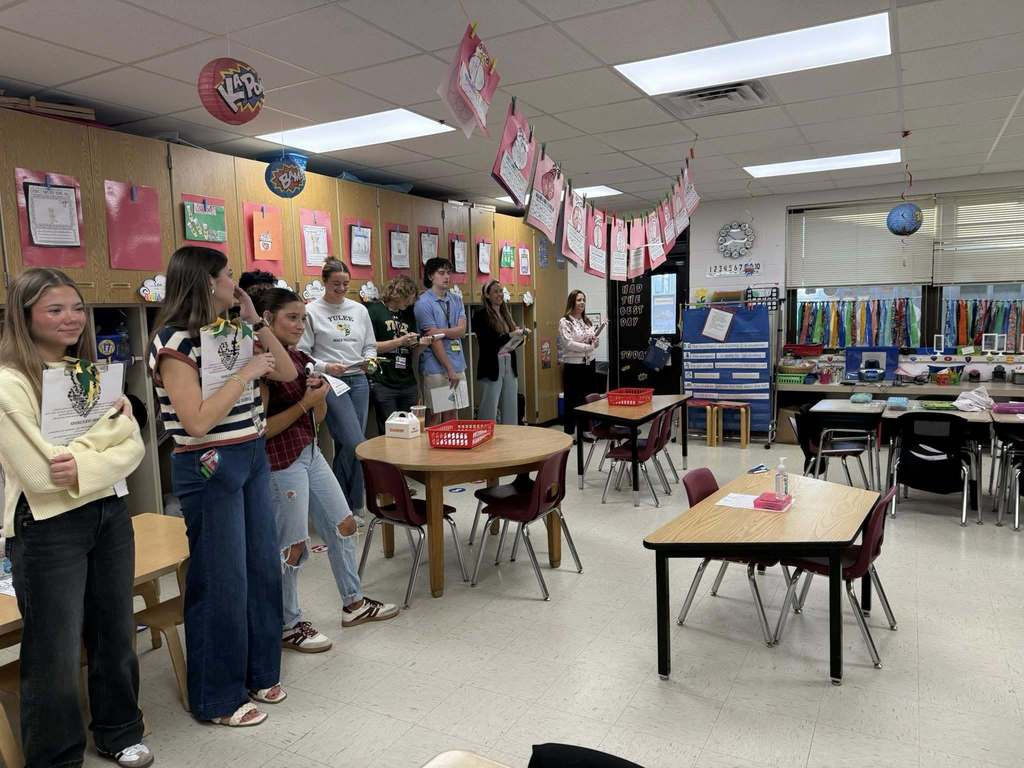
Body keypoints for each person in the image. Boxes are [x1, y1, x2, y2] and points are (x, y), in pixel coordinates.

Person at [0, 268, 152, 767]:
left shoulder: (86, 371)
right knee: (55, 650)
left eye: (76, 308)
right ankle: (56, 757)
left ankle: (119, 730)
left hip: (107, 510)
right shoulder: (9, 381)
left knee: (115, 627)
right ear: (25, 317)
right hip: (47, 526)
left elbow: (133, 446)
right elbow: (44, 476)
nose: (71, 319)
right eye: (54, 309)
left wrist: (85, 458)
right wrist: (105, 441)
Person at [149, 246, 296, 727]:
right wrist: (244, 376)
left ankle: (257, 670)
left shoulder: (231, 331)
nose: (234, 284)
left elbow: (289, 372)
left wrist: (257, 324)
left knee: (260, 568)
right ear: (205, 282)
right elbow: (194, 422)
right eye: (228, 276)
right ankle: (217, 696)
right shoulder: (174, 342)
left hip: (249, 452)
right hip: (208, 462)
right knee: (221, 579)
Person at [254, 288, 399, 653]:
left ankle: (354, 603)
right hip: (281, 462)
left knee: (344, 523)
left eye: (303, 318)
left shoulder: (301, 358)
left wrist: (316, 399)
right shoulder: (262, 364)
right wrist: (307, 402)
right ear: (267, 319)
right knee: (293, 546)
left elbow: (316, 418)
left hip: (310, 451)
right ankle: (288, 624)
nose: (300, 324)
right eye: (292, 317)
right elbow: (261, 431)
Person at [298, 259, 376, 520]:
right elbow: (301, 353)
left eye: (345, 284)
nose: (341, 289)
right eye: (335, 284)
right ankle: (347, 503)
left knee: (348, 445)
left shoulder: (359, 310)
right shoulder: (312, 311)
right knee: (356, 443)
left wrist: (371, 360)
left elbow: (370, 345)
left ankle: (348, 506)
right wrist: (326, 366)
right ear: (324, 282)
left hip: (359, 379)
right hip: (331, 382)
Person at [366, 275, 428, 435]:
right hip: (383, 381)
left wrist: (420, 345)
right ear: (398, 294)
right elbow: (370, 347)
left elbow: (413, 350)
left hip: (407, 380)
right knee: (390, 431)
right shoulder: (374, 311)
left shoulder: (408, 313)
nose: (411, 303)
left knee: (411, 430)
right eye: (408, 298)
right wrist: (400, 341)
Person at [414, 257, 467, 425]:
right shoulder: (423, 302)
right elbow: (434, 340)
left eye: (448, 273)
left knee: (453, 412)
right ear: (431, 276)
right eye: (441, 273)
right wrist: (449, 369)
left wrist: (440, 332)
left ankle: (452, 450)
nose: (446, 277)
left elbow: (462, 330)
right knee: (436, 414)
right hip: (436, 368)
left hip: (458, 362)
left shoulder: (456, 300)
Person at [473, 280, 524, 424]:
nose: (499, 294)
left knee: (510, 405)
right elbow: (488, 342)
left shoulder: (505, 313)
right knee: (489, 407)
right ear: (487, 295)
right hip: (492, 365)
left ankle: (511, 437)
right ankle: (485, 436)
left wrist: (520, 336)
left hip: (509, 364)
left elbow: (512, 342)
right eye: (495, 291)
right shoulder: (480, 315)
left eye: (501, 291)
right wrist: (511, 335)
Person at [559, 289, 600, 438]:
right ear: (572, 302)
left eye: (583, 300)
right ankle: (570, 432)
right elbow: (568, 343)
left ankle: (585, 430)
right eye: (578, 300)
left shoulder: (586, 321)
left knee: (586, 398)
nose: (582, 303)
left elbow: (594, 340)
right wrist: (586, 347)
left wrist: (595, 343)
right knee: (572, 399)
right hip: (573, 365)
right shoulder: (565, 321)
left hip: (589, 363)